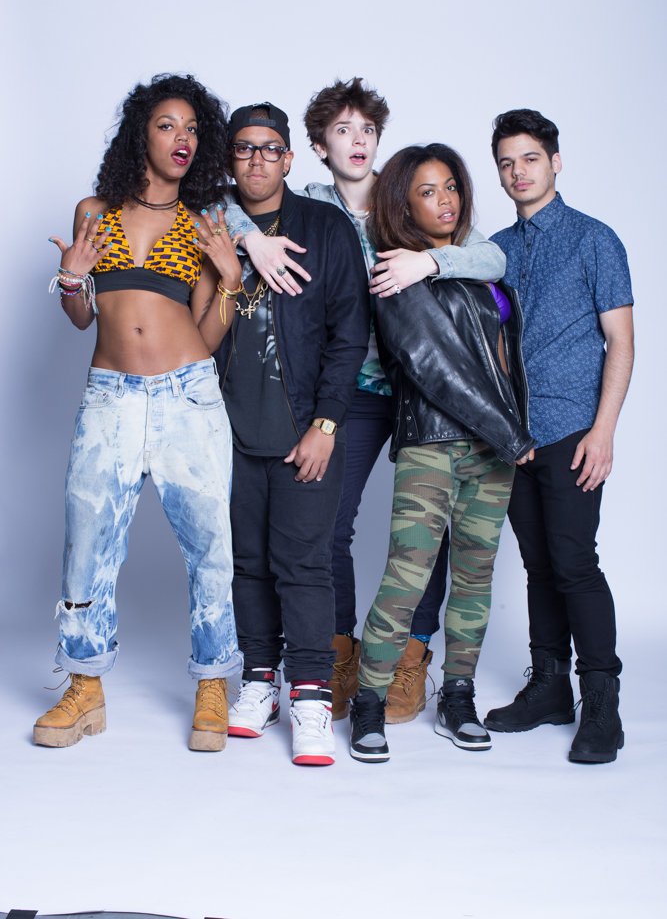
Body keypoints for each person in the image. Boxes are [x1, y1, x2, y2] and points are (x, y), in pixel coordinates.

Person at [224, 78, 506, 723]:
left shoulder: (405, 197)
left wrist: (428, 264)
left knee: (431, 531)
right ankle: (338, 651)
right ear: (316, 147)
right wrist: (251, 241)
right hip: (342, 390)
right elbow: (224, 203)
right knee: (327, 526)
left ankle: (413, 654)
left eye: (368, 130)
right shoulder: (310, 203)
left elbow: (491, 257)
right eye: (343, 130)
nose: (358, 141)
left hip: (416, 391)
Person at [34, 74, 243, 753]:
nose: (182, 139)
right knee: (87, 542)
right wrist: (72, 275)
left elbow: (208, 334)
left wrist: (231, 281)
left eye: (193, 129)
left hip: (189, 395)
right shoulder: (93, 212)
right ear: (140, 135)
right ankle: (84, 687)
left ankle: (213, 682)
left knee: (210, 546)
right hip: (111, 397)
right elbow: (80, 317)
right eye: (167, 125)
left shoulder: (203, 223)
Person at [348, 144, 535, 763]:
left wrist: (510, 430)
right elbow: (433, 366)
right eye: (427, 191)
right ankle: (369, 702)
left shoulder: (470, 262)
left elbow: (503, 361)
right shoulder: (393, 273)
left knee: (475, 579)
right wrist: (510, 434)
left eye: (451, 186)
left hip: (493, 451)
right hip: (433, 443)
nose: (445, 200)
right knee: (407, 576)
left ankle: (458, 697)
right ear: (403, 204)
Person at [216, 102, 369, 766]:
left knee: (304, 564)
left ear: (289, 157)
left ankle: (309, 695)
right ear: (230, 158)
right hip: (227, 429)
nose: (257, 159)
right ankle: (259, 682)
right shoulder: (211, 223)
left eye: (269, 148)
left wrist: (325, 424)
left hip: (305, 427)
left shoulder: (325, 227)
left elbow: (349, 333)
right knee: (246, 562)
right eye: (243, 148)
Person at [484, 109, 634, 764]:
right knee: (538, 565)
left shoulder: (594, 240)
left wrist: (603, 432)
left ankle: (601, 701)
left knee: (574, 563)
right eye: (506, 163)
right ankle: (548, 687)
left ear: (555, 162)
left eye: (530, 159)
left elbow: (620, 342)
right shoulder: (494, 250)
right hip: (514, 437)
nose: (518, 172)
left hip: (573, 429)